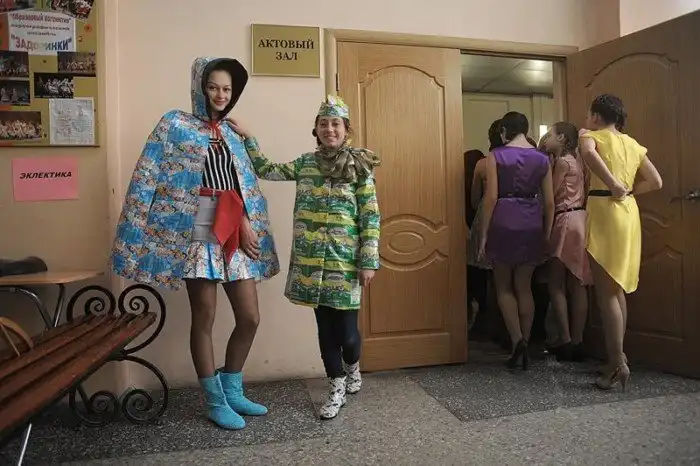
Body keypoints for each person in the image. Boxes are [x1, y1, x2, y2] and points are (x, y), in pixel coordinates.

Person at [111, 57, 281, 430]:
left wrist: (246, 220)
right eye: (213, 87)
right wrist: (134, 232)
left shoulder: (233, 133)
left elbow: (244, 182)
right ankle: (215, 401)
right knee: (204, 316)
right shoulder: (174, 124)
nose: (220, 95)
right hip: (197, 229)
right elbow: (147, 175)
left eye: (227, 89)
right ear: (199, 88)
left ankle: (232, 388)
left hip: (235, 227)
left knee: (250, 317)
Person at [227, 95, 381, 420]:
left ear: (346, 129)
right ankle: (336, 388)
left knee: (348, 334)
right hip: (310, 264)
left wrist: (368, 261)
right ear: (316, 129)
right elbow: (266, 169)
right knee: (325, 329)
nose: (329, 129)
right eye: (324, 124)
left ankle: (353, 366)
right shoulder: (305, 164)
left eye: (335, 124)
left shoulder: (360, 167)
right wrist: (248, 137)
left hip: (345, 263)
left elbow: (370, 216)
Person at [579, 94, 662, 391]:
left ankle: (616, 364)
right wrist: (627, 191)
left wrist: (613, 184)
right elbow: (656, 181)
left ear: (596, 116)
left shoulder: (590, 136)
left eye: (589, 115)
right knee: (617, 290)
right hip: (628, 213)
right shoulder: (633, 143)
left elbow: (589, 155)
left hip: (606, 211)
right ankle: (618, 357)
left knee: (607, 294)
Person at [479, 111, 554, 370]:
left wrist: (484, 234)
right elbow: (550, 202)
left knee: (503, 286)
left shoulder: (496, 155)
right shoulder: (542, 158)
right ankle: (527, 338)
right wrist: (546, 233)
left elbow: (490, 198)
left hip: (503, 218)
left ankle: (517, 341)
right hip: (531, 220)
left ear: (504, 131)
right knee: (524, 285)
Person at [543, 122, 592, 362]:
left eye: (550, 135)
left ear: (562, 138)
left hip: (564, 219)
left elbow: (550, 196)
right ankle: (578, 341)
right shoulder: (579, 162)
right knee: (578, 283)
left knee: (555, 283)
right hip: (580, 218)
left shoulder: (562, 163)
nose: (546, 139)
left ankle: (564, 338)